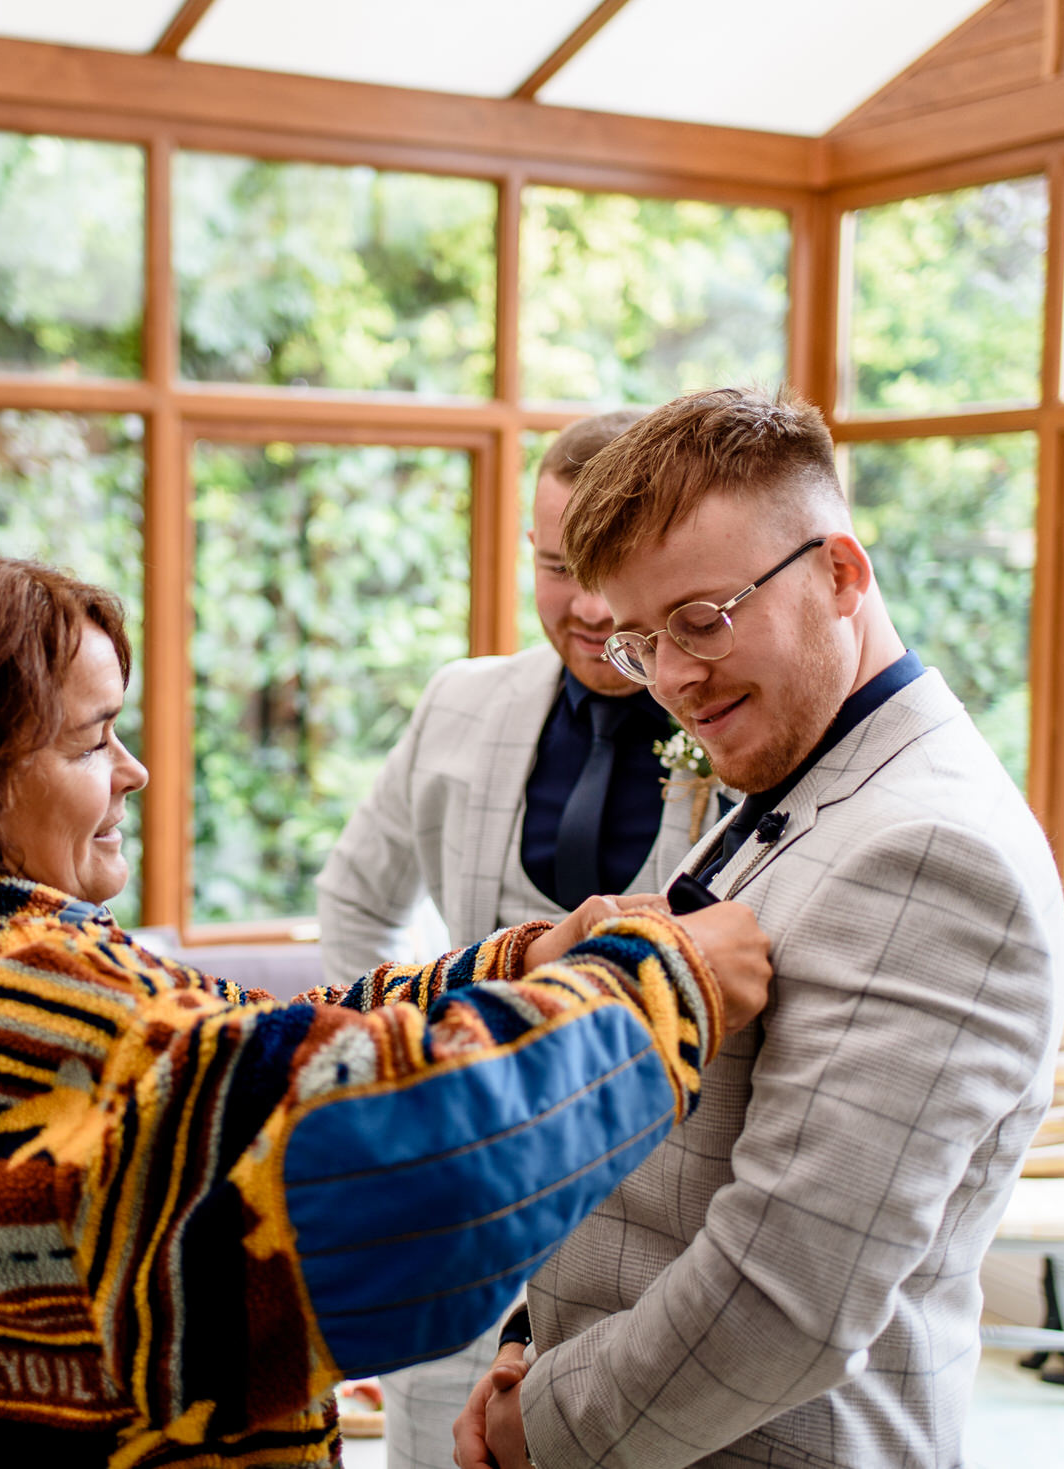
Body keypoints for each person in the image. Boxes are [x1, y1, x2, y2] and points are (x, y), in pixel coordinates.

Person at [0, 538, 776, 1469]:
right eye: (90, 741)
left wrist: (521, 957)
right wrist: (661, 984)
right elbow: (421, 1154)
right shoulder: (53, 1004)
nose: (130, 771)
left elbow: (241, 1046)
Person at [454, 389, 1064, 1469]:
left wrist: (538, 1427)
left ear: (839, 572)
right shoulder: (792, 771)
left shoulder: (932, 853)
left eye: (700, 619)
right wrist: (526, 1345)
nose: (675, 680)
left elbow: (786, 1295)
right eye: (643, 641)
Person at [319, 411, 735, 1469]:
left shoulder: (741, 718)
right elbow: (355, 902)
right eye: (557, 566)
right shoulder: (460, 702)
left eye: (612, 569)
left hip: (662, 1252)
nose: (588, 607)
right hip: (459, 1222)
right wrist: (415, 1098)